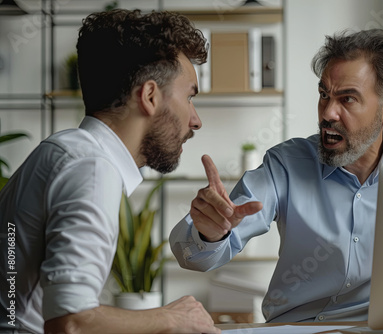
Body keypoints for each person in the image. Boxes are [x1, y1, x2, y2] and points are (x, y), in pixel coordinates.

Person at [169, 28, 383, 323]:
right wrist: (210, 232)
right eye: (324, 95)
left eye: (347, 99)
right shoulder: (286, 165)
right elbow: (193, 256)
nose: (328, 113)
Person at [0, 9, 220, 334]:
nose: (196, 120)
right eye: (189, 97)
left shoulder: (70, 150)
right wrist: (173, 318)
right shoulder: (90, 168)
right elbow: (70, 321)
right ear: (149, 96)